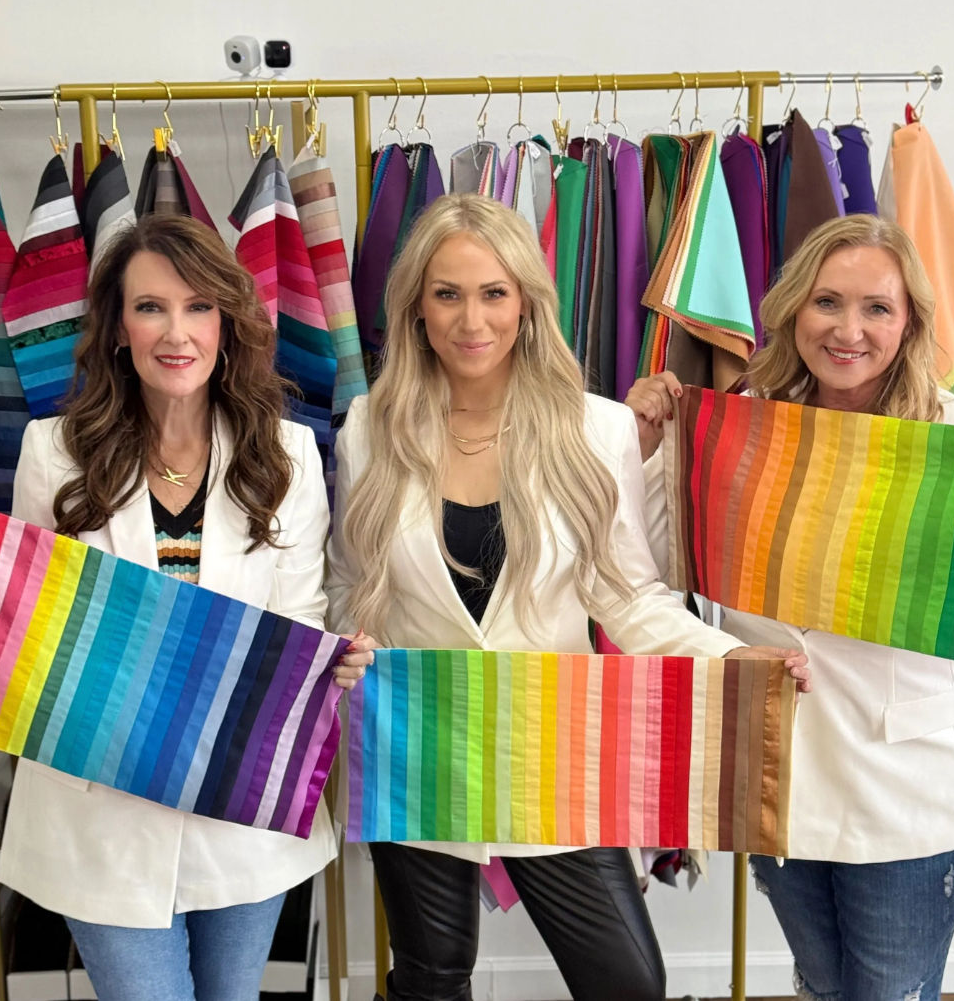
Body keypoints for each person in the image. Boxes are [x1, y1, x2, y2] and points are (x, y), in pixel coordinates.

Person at [326, 192, 810, 1001]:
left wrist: (730, 656)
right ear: (415, 308)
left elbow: (625, 596)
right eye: (446, 294)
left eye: (493, 293)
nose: (470, 319)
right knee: (429, 976)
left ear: (526, 302)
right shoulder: (371, 427)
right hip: (418, 734)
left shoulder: (595, 428)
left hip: (547, 738)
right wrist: (352, 641)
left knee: (627, 982)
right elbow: (348, 583)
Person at [627, 213, 954, 1001]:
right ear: (791, 311)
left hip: (910, 785)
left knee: (888, 992)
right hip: (781, 771)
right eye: (826, 302)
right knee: (819, 983)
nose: (849, 329)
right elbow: (637, 556)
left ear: (911, 317)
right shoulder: (739, 421)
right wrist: (641, 443)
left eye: (877, 307)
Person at [0, 214, 375, 1001]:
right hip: (102, 808)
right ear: (115, 328)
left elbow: (301, 614)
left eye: (199, 306)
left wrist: (333, 657)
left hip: (241, 805)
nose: (177, 332)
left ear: (228, 324)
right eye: (151, 307)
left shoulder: (289, 455)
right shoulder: (53, 453)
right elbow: (38, 634)